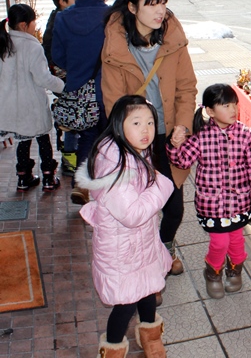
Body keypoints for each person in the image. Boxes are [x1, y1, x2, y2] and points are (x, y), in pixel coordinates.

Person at [102, 0, 198, 279]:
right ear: (132, 7)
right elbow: (114, 103)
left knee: (174, 206)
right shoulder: (116, 47)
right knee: (138, 211)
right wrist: (128, 143)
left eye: (163, 3)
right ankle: (144, 269)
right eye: (151, 3)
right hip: (132, 141)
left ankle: (164, 249)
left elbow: (186, 88)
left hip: (167, 137)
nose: (160, 11)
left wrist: (183, 125)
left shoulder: (172, 39)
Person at [76, 95, 173, 358]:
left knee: (148, 288)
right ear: (119, 125)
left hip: (140, 242)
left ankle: (150, 336)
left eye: (151, 122)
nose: (146, 130)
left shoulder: (131, 150)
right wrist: (162, 185)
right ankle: (113, 348)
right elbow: (132, 214)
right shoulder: (115, 166)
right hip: (122, 248)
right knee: (126, 302)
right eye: (137, 123)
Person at [166, 84, 251, 299]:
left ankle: (235, 271)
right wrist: (174, 146)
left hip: (239, 203)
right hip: (211, 205)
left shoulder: (245, 136)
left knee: (237, 241)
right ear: (210, 111)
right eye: (225, 105)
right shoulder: (201, 137)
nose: (233, 110)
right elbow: (183, 161)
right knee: (220, 242)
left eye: (235, 105)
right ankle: (213, 273)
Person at [52, 0, 113, 205]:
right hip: (108, 90)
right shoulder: (111, 17)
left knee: (87, 137)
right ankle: (108, 188)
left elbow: (57, 56)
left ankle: (82, 182)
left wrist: (78, 69)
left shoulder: (63, 17)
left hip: (79, 89)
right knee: (111, 138)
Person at [0, 4, 65, 192]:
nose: (35, 25)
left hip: (10, 105)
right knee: (43, 139)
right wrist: (63, 87)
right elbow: (43, 78)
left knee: (23, 140)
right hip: (32, 105)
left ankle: (23, 178)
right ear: (23, 24)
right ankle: (48, 178)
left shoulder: (3, 42)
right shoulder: (32, 46)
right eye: (33, 21)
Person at [42, 0, 79, 176]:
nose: (78, 1)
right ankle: (70, 157)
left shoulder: (59, 18)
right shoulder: (61, 20)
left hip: (65, 79)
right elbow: (53, 52)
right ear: (62, 1)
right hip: (65, 80)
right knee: (72, 120)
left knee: (72, 119)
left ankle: (71, 155)